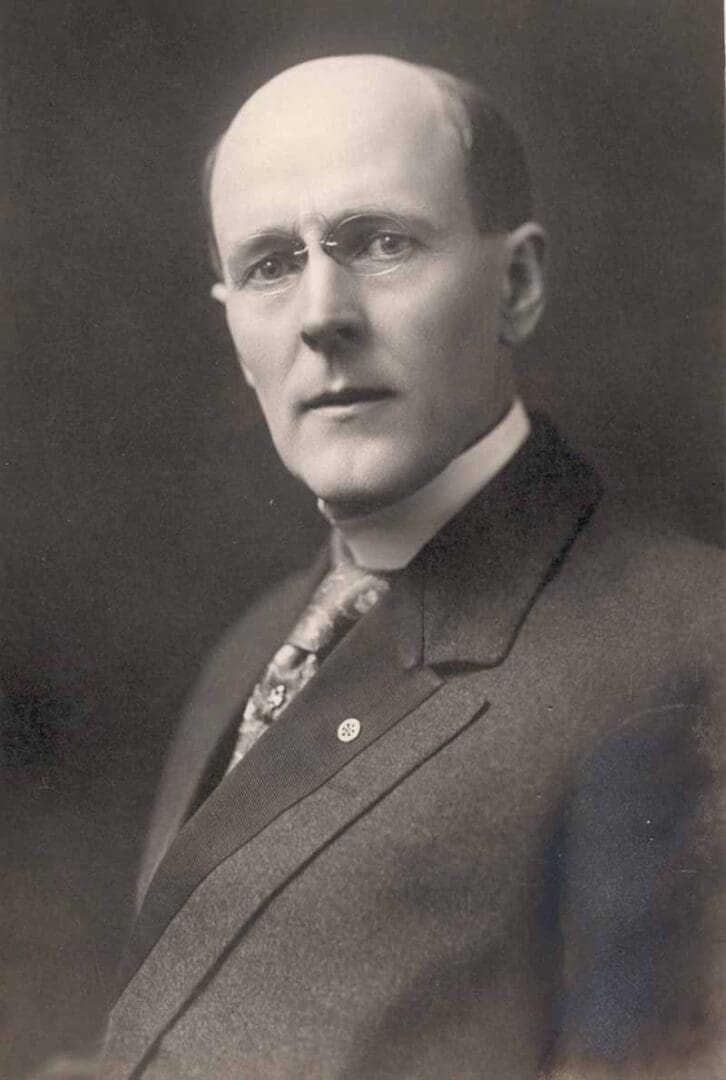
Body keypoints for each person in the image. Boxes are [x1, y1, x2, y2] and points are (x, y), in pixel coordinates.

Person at [100, 55, 723, 1079]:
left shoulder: (691, 650)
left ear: (516, 285)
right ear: (234, 327)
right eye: (270, 264)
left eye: (381, 243)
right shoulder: (255, 644)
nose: (321, 314)